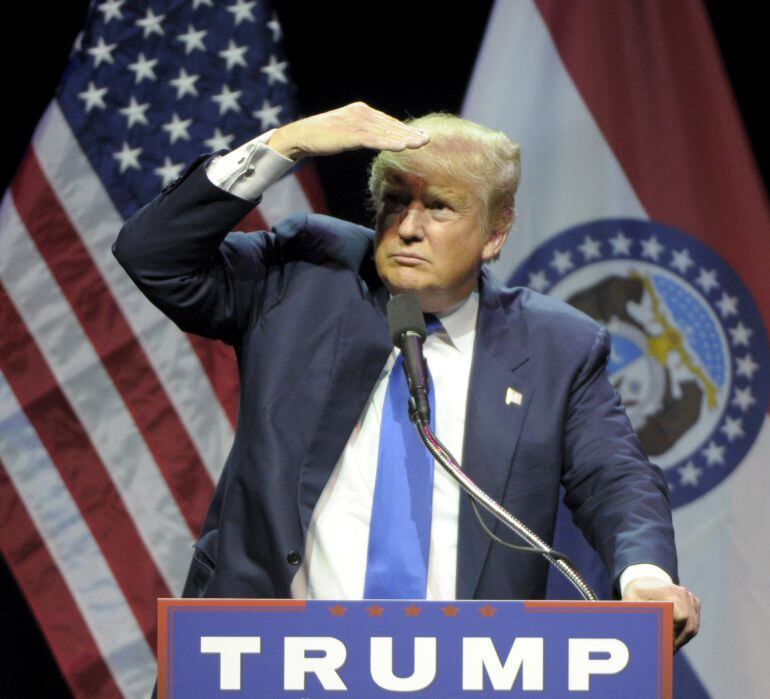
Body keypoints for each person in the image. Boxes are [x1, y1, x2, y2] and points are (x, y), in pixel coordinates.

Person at [113, 102, 700, 649]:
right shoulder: (306, 273)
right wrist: (283, 145)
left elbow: (616, 478)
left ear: (495, 233)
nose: (410, 227)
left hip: (464, 667)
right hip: (268, 656)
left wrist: (646, 577)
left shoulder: (556, 346)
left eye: (440, 206)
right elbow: (153, 256)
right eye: (396, 201)